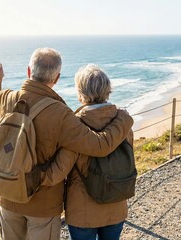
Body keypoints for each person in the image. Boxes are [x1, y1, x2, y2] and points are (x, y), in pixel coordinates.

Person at [0, 48, 133, 240]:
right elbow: (100, 145)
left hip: (7, 195)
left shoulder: (4, 99)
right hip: (43, 205)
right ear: (57, 78)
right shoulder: (61, 114)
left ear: (29, 71)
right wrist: (124, 119)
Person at [42, 64, 134, 240]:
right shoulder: (123, 122)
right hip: (117, 201)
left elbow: (60, 170)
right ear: (108, 90)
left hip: (82, 210)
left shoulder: (75, 126)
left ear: (80, 93)